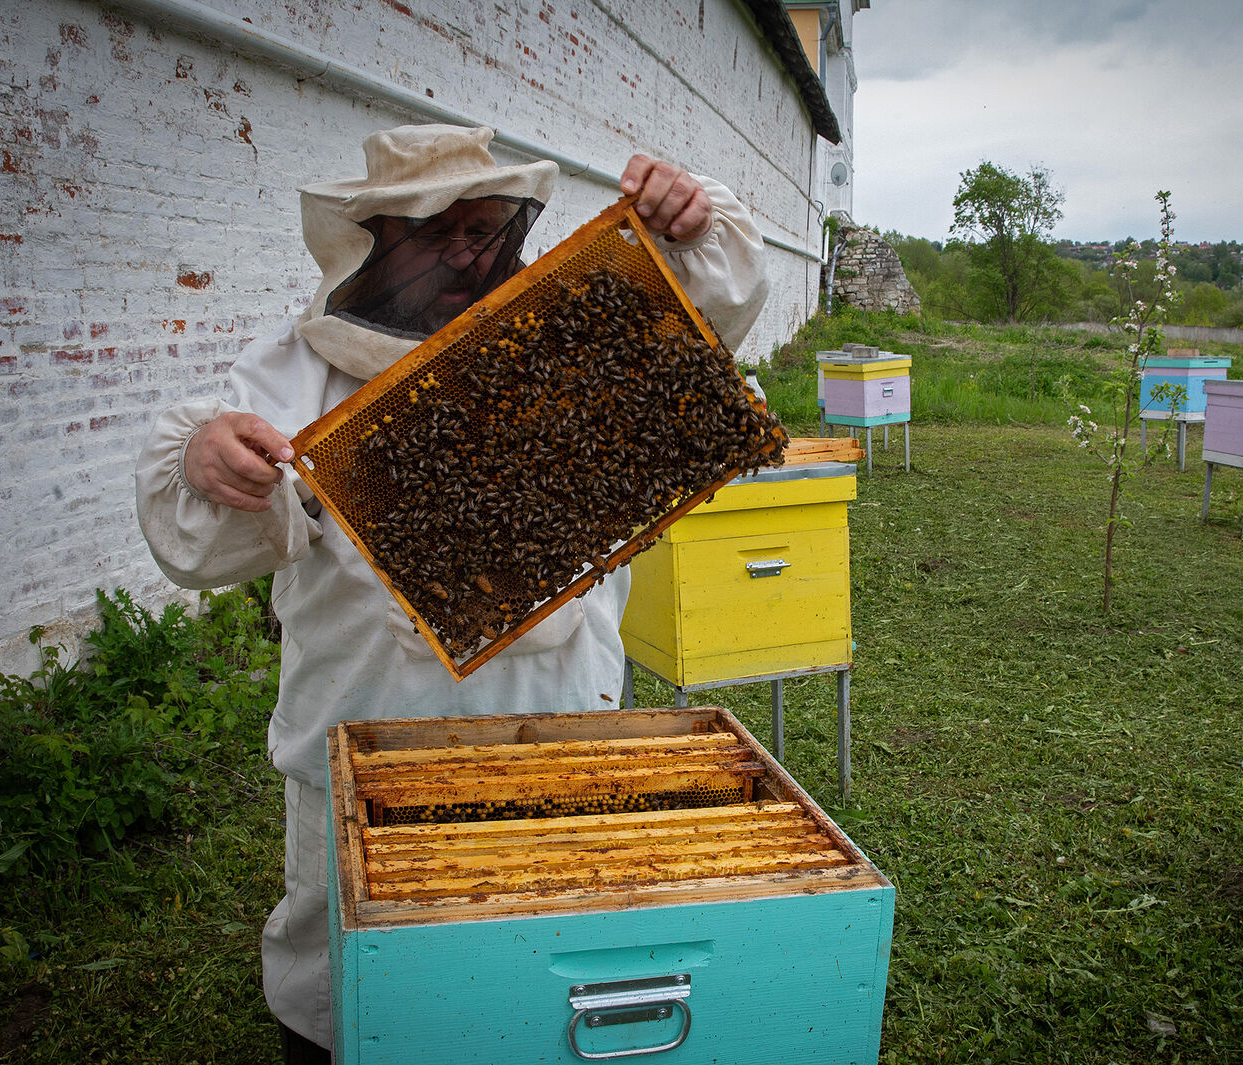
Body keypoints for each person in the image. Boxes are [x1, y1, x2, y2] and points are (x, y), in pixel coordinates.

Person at [134, 123, 769, 1062]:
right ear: (375, 241)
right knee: (348, 982)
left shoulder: (570, 332)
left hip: (554, 716)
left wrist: (689, 221)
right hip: (364, 730)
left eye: (483, 231)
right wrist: (203, 456)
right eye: (438, 234)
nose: (467, 256)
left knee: (535, 967)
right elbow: (200, 536)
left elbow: (716, 298)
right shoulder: (295, 372)